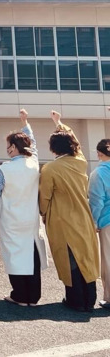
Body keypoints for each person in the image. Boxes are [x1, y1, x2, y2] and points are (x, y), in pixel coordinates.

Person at [40, 111, 100, 312]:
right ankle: (89, 300)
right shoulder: (80, 162)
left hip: (62, 220)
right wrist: (59, 123)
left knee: (70, 260)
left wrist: (43, 213)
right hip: (83, 217)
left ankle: (75, 300)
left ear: (53, 148)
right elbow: (76, 142)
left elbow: (44, 198)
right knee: (86, 258)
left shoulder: (50, 169)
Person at [0, 108, 47, 306]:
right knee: (32, 255)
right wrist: (25, 123)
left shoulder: (4, 169)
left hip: (11, 218)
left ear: (13, 147)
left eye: (8, 145)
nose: (7, 149)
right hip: (30, 218)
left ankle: (20, 295)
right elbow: (34, 146)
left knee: (14, 256)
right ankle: (33, 297)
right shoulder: (33, 163)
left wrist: (8, 201)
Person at [88, 132, 110, 310]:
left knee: (108, 261)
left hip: (107, 221)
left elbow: (96, 202)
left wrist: (94, 222)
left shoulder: (99, 173)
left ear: (99, 153)